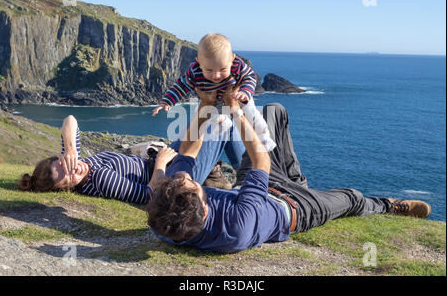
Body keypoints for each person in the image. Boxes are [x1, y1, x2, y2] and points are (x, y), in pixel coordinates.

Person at [146, 86, 431, 254]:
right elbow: (260, 161)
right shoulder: (237, 225)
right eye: (196, 187)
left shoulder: (165, 219)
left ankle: (295, 177)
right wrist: (236, 112)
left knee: (275, 110)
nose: (190, 181)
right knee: (351, 198)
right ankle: (390, 206)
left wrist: (206, 106)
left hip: (251, 189)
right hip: (293, 208)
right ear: (205, 211)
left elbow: (188, 153)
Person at [17, 114, 245, 202]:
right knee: (222, 125)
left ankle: (223, 174)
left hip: (164, 159)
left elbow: (70, 120)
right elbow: (148, 195)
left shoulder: (79, 161)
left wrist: (70, 150)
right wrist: (161, 163)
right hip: (170, 174)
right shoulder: (100, 179)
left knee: (212, 117)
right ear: (67, 188)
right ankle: (248, 175)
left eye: (65, 165)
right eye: (67, 179)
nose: (72, 170)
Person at [152, 33, 276, 151]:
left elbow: (250, 77)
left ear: (232, 59)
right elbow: (181, 86)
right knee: (208, 117)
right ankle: (224, 121)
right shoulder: (195, 71)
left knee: (252, 114)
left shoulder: (237, 65)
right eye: (209, 70)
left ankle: (264, 136)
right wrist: (167, 101)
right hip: (214, 102)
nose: (216, 75)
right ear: (199, 62)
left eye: (223, 69)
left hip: (238, 98)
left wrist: (245, 92)